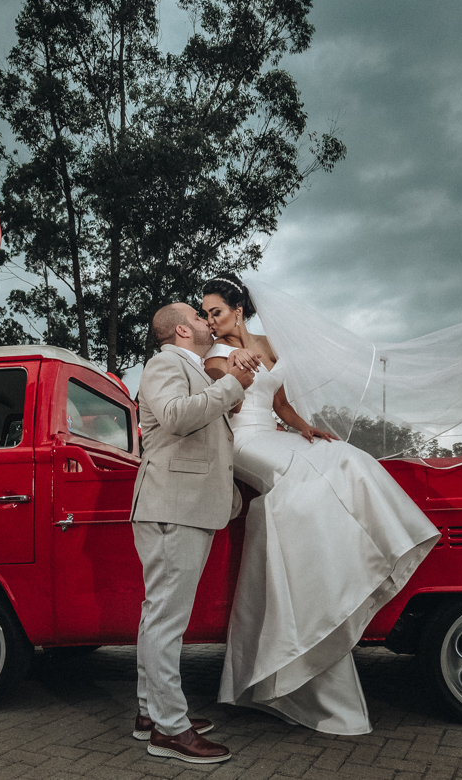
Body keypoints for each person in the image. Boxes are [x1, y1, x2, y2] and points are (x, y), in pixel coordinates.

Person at [200, 275, 440, 735]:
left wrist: (306, 428)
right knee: (303, 482)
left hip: (274, 430)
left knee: (345, 456)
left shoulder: (269, 342)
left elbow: (281, 402)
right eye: (205, 314)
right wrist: (234, 361)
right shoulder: (216, 355)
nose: (211, 320)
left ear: (238, 309)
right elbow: (223, 378)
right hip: (244, 443)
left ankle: (352, 563)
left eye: (216, 311)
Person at [130, 302, 256, 763]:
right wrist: (231, 385)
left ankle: (150, 713)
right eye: (200, 318)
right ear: (182, 329)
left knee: (157, 614)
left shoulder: (193, 368)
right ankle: (169, 730)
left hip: (182, 505)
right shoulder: (164, 362)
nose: (208, 323)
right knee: (167, 620)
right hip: (173, 506)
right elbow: (179, 418)